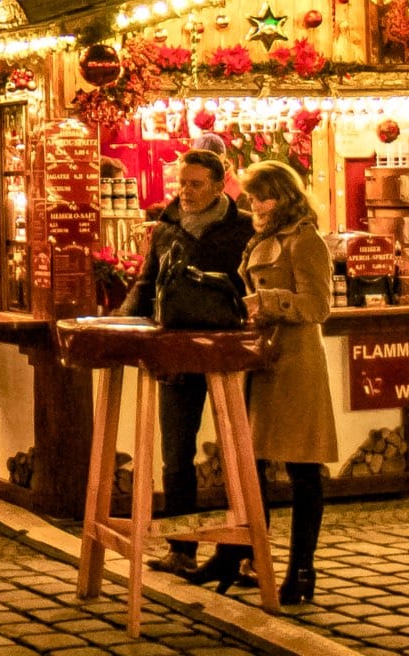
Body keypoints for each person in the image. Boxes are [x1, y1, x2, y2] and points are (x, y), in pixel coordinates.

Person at [189, 159, 337, 606]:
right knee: (247, 465)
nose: (252, 205)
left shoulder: (304, 240)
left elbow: (318, 305)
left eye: (258, 197)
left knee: (302, 468)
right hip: (260, 360)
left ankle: (302, 568)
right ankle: (238, 553)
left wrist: (267, 301)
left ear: (279, 197)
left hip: (294, 363)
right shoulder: (264, 238)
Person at [118, 148, 252, 577]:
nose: (186, 192)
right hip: (174, 349)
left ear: (219, 183)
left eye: (196, 184)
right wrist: (122, 327)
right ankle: (181, 548)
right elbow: (146, 283)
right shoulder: (166, 229)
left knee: (242, 452)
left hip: (228, 351)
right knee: (176, 452)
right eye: (182, 183)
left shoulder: (244, 229)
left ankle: (247, 553)